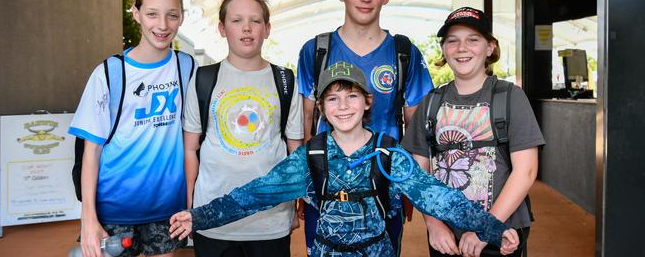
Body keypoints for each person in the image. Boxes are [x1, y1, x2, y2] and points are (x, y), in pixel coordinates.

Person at [169, 61, 520, 257]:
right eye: (333, 99)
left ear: (367, 101)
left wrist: (493, 226)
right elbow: (254, 195)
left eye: (351, 96)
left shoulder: (387, 154)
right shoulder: (311, 157)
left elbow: (436, 196)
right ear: (320, 107)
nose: (343, 106)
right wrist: (199, 216)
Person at [296, 0, 433, 255]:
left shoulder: (403, 52)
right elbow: (304, 120)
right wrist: (305, 181)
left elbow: (416, 124)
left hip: (382, 186)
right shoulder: (316, 51)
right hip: (326, 185)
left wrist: (410, 181)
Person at [402, 7, 545, 257]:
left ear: (489, 48)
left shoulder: (510, 97)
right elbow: (416, 175)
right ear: (444, 50)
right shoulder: (431, 103)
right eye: (452, 41)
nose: (461, 48)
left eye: (473, 40)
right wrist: (433, 225)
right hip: (446, 236)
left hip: (500, 230)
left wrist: (485, 228)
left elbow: (527, 170)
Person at [68, 0, 195, 257]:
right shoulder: (110, 74)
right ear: (136, 14)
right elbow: (92, 151)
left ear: (181, 18)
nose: (162, 25)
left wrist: (190, 201)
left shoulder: (187, 67)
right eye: (152, 14)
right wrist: (88, 218)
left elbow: (192, 142)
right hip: (114, 210)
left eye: (172, 15)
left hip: (168, 210)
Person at [182, 0, 304, 257]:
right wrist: (192, 206)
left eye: (255, 21)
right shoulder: (204, 79)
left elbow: (295, 152)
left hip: (270, 219)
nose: (246, 28)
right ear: (222, 29)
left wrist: (294, 206)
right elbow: (190, 148)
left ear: (267, 29)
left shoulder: (285, 80)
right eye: (236, 20)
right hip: (213, 218)